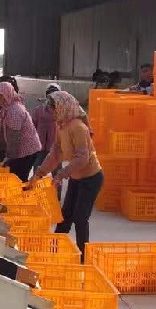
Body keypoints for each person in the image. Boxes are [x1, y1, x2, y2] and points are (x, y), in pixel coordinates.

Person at [28, 91, 104, 253]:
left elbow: (82, 158)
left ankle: (84, 255)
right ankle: (53, 250)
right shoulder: (61, 125)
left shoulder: (78, 127)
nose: (52, 114)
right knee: (65, 215)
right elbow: (56, 152)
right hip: (77, 177)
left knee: (80, 217)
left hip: (91, 178)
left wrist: (61, 174)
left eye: (53, 111)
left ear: (62, 108)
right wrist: (40, 173)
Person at [0, 81, 42, 182]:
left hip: (28, 150)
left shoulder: (14, 111)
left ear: (5, 95)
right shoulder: (6, 108)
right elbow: (3, 132)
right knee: (15, 173)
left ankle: (23, 191)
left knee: (18, 177)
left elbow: (14, 138)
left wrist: (9, 157)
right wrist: (0, 149)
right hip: (21, 148)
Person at [31, 83, 59, 173]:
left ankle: (56, 183)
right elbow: (32, 127)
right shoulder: (38, 110)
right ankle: (36, 182)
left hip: (56, 147)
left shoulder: (62, 112)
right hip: (40, 147)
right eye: (50, 94)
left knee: (56, 172)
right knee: (37, 170)